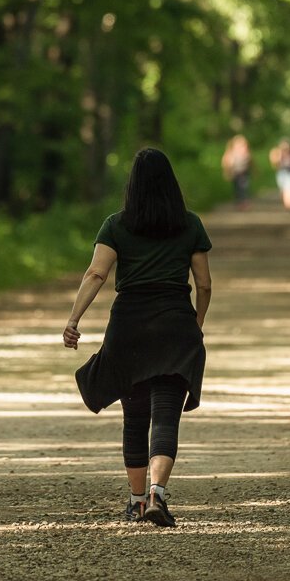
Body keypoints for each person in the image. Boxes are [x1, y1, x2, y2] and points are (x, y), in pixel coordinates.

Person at [63, 147, 213, 528]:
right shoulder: (190, 224)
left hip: (129, 328)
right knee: (166, 416)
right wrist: (193, 326)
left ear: (132, 186)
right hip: (175, 327)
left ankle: (134, 501)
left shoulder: (116, 224)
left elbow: (96, 274)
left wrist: (74, 319)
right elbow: (205, 285)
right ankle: (157, 495)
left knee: (134, 418)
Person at [221, 134, 252, 208]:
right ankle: (239, 202)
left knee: (244, 187)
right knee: (237, 188)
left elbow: (251, 162)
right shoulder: (231, 153)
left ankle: (243, 201)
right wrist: (227, 171)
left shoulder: (246, 153)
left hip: (244, 173)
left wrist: (254, 170)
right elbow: (226, 162)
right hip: (235, 174)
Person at [270, 138, 290, 210]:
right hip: (282, 173)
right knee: (284, 189)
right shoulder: (278, 154)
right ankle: (287, 203)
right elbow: (274, 163)